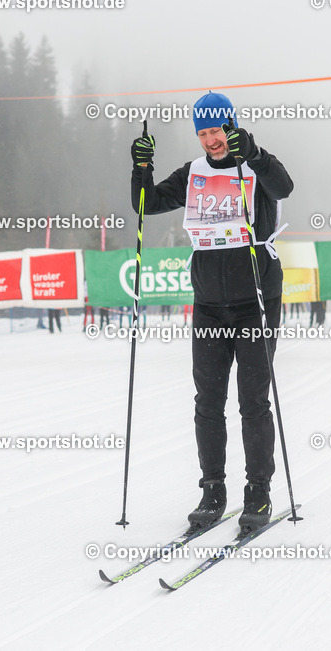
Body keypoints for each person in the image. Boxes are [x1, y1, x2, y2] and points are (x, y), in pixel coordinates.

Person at [130, 91, 293, 533]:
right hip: (208, 303)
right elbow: (146, 204)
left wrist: (254, 153)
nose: (210, 140)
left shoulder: (254, 164)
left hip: (256, 297)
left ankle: (258, 492)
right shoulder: (193, 172)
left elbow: (284, 187)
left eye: (215, 130)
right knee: (207, 401)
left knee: (253, 400)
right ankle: (212, 490)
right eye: (202, 133)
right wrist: (140, 168)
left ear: (230, 126)